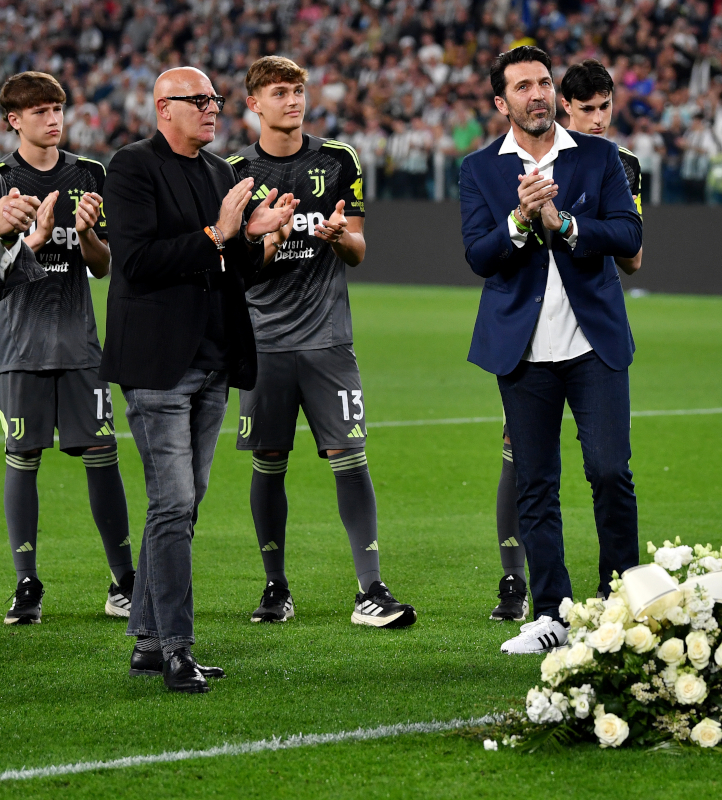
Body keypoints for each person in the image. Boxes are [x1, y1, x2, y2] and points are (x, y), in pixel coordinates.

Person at [102, 66, 296, 692]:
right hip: (158, 364)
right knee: (174, 504)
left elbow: (231, 266)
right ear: (164, 108)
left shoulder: (220, 173)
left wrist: (259, 240)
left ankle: (149, 643)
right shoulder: (131, 167)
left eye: (215, 100)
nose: (213, 109)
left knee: (181, 509)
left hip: (212, 361)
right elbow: (134, 261)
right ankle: (178, 648)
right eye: (200, 100)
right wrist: (220, 232)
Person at [459, 46, 642, 654]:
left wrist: (563, 226)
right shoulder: (480, 169)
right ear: (501, 102)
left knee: (611, 472)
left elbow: (627, 233)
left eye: (542, 83)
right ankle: (554, 614)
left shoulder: (599, 157)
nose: (535, 94)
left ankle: (621, 604)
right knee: (536, 484)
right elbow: (479, 254)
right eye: (522, 87)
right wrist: (518, 220)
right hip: (523, 351)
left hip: (593, 346)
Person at [227, 56, 416, 629]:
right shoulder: (232, 172)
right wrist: (269, 240)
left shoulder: (338, 161)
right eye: (280, 93)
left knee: (349, 454)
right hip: (261, 341)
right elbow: (231, 268)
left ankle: (372, 590)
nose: (293, 101)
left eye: (299, 91)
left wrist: (336, 238)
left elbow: (358, 249)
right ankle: (274, 587)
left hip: (328, 339)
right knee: (269, 458)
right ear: (253, 104)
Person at [0, 72, 134, 625]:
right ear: (14, 120)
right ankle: (27, 583)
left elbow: (104, 267)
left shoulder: (90, 174)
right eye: (39, 111)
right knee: (22, 459)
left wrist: (86, 236)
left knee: (103, 458)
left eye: (57, 108)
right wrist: (22, 241)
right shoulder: (1, 181)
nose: (53, 119)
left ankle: (124, 581)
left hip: (81, 346)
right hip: (19, 347)